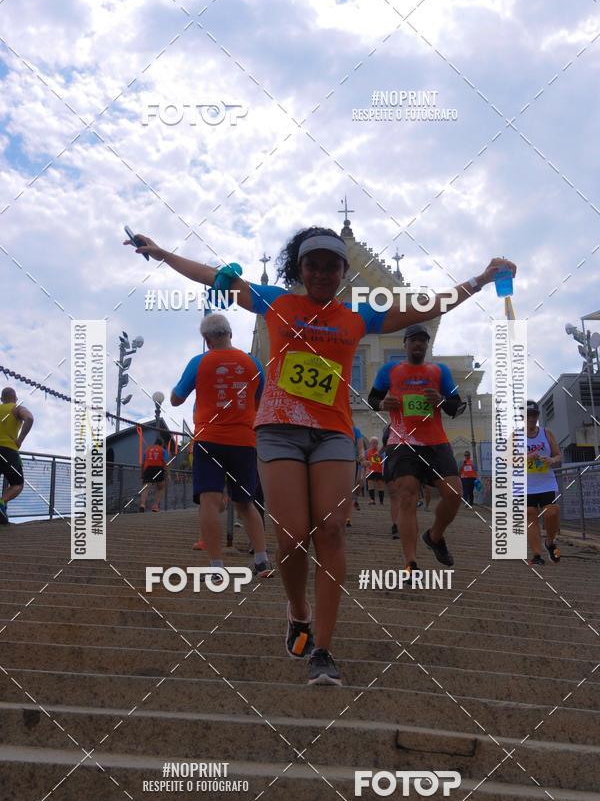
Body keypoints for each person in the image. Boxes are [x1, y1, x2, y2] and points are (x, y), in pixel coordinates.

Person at [126, 227, 514, 684]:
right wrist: (162, 252)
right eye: (313, 265)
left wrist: (480, 280)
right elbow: (213, 277)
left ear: (344, 271)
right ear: (299, 268)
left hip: (332, 433)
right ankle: (298, 611)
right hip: (279, 431)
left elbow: (426, 306)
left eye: (332, 266)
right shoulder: (276, 302)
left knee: (330, 532)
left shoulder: (357, 316)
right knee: (292, 537)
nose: (323, 273)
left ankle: (324, 650)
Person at [170, 313, 272, 579]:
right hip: (244, 441)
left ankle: (216, 567)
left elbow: (176, 399)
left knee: (210, 501)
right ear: (230, 333)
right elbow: (260, 401)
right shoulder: (253, 363)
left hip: (209, 441)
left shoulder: (199, 362)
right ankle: (261, 561)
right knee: (245, 502)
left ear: (206, 339)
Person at [368, 324, 466, 573]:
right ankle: (410, 562)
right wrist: (382, 404)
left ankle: (434, 536)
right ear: (405, 344)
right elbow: (372, 399)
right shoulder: (390, 370)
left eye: (423, 340)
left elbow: (457, 406)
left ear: (427, 345)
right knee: (407, 495)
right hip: (402, 441)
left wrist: (441, 401)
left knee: (454, 494)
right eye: (413, 340)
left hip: (436, 442)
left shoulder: (439, 371)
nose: (418, 344)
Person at [526, 399, 561, 566]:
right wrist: (527, 457)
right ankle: (537, 555)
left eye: (534, 415)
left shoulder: (547, 433)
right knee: (530, 514)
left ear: (538, 416)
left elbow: (558, 455)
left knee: (552, 512)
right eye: (528, 415)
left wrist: (551, 460)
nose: (531, 418)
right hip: (526, 484)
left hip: (546, 481)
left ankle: (550, 541)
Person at [0, 387, 34, 525]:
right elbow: (29, 418)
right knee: (17, 484)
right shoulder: (17, 408)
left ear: (1, 399)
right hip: (9, 451)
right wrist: (20, 440)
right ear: (15, 398)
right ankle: (2, 502)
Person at [139, 437, 169, 512]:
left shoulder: (147, 450)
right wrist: (167, 474)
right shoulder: (163, 450)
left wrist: (142, 473)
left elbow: (142, 463)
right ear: (161, 444)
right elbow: (166, 463)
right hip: (159, 469)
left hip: (148, 469)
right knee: (160, 488)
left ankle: (142, 505)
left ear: (155, 443)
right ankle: (155, 506)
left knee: (146, 488)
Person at [345, 424, 365, 527]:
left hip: (352, 461)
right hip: (341, 460)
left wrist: (362, 456)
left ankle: (347, 517)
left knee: (351, 489)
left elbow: (361, 447)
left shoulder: (355, 430)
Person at [364, 436, 385, 505]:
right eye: (373, 442)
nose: (374, 444)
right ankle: (372, 500)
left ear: (377, 443)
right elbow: (365, 461)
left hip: (379, 471)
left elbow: (384, 461)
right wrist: (366, 469)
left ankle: (381, 501)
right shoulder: (367, 452)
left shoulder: (381, 452)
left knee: (380, 486)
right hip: (370, 471)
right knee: (370, 485)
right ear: (370, 443)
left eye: (375, 443)